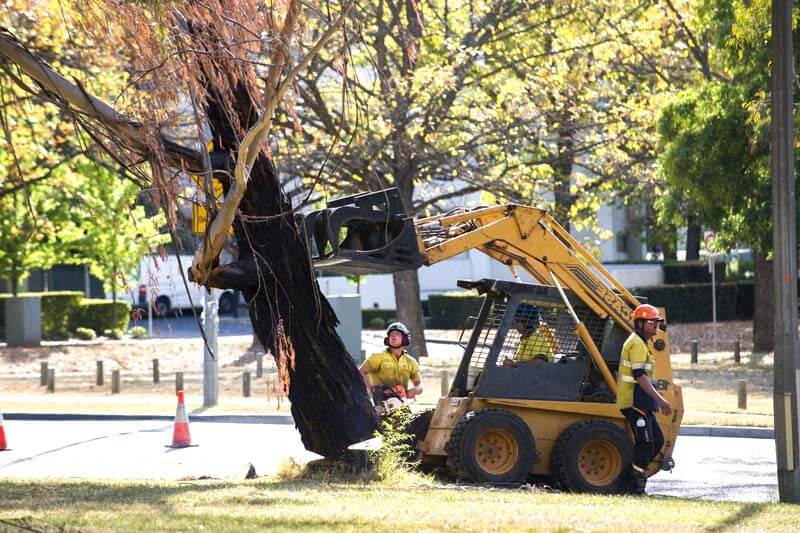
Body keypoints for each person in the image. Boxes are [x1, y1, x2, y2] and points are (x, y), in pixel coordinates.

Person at [617, 303, 672, 483]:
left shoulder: (642, 343)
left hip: (643, 402)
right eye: (651, 322)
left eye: (656, 322)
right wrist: (661, 400)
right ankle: (633, 485)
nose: (655, 326)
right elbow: (639, 376)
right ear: (640, 324)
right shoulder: (636, 344)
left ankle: (629, 479)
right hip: (635, 401)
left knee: (657, 440)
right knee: (646, 444)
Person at [360, 322, 423, 401]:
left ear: (405, 338)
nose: (393, 336)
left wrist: (415, 390)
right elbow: (361, 371)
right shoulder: (378, 357)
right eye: (391, 334)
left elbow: (419, 384)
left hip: (402, 405)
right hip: (381, 404)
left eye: (397, 334)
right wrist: (372, 389)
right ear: (387, 339)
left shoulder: (411, 361)